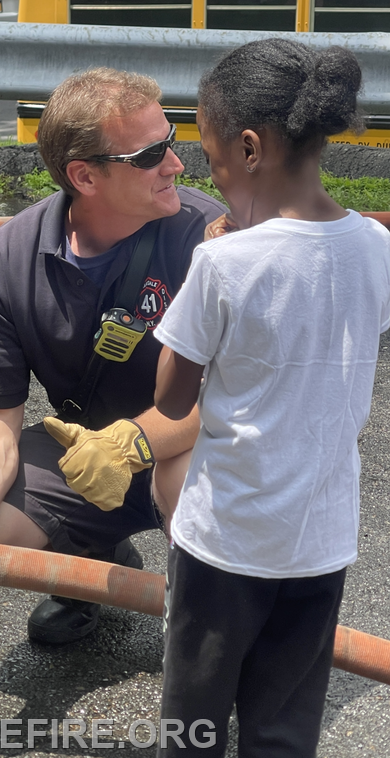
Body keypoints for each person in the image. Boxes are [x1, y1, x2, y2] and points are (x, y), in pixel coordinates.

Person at [0, 67, 227, 644]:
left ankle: (214, 638)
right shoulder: (9, 258)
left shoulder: (209, 238)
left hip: (191, 449)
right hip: (83, 459)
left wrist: (132, 444)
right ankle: (97, 562)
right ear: (85, 176)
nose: (176, 164)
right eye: (152, 154)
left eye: (172, 140)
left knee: (186, 486)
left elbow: (237, 394)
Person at [153, 38, 390, 757]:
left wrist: (219, 259)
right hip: (320, 539)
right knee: (284, 728)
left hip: (225, 542)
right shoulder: (377, 248)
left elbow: (170, 397)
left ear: (250, 149)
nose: (211, 174)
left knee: (194, 723)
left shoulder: (223, 259)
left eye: (215, 158)